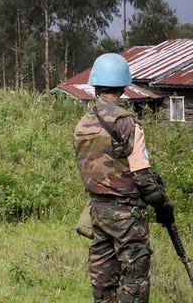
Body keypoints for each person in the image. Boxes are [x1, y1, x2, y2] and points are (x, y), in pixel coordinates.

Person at [73, 53, 175, 303]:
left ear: (96, 84)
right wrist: (162, 205)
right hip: (127, 214)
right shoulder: (126, 122)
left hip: (97, 211)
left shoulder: (83, 123)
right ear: (123, 85)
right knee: (135, 280)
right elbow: (142, 175)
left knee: (103, 281)